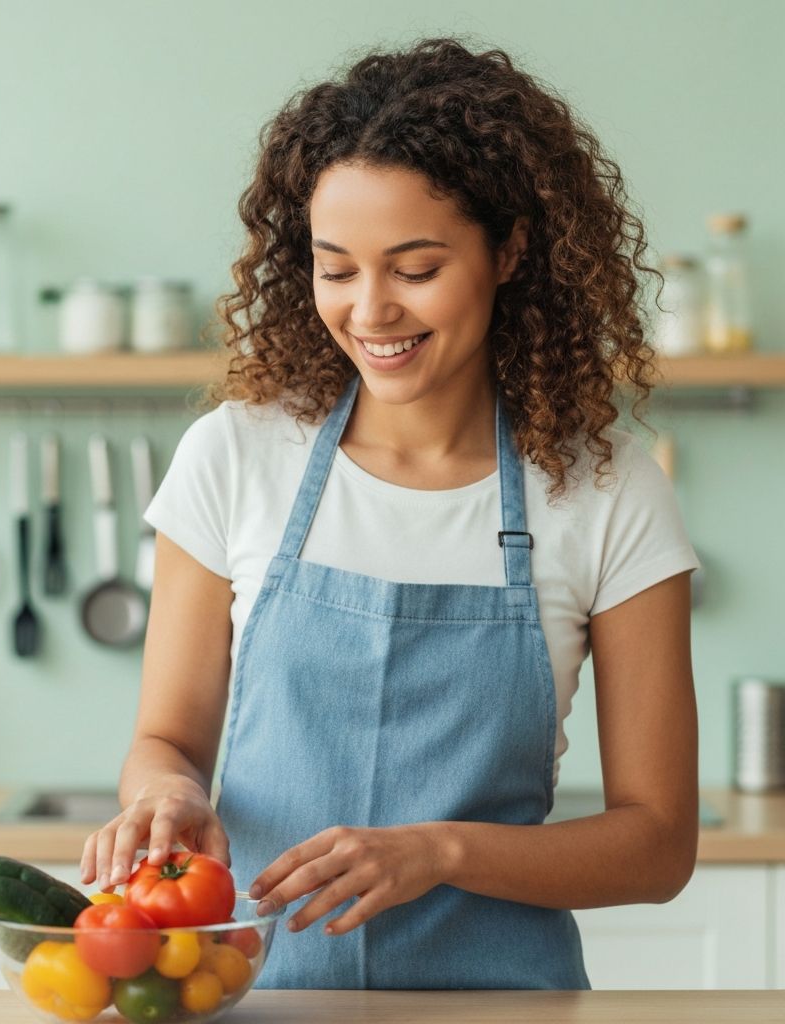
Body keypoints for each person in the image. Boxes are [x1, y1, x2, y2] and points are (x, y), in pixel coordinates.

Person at [80, 35, 699, 990]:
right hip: (251, 998)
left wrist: (441, 853)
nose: (370, 311)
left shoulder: (607, 492)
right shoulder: (236, 455)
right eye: (336, 269)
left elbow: (658, 846)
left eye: (415, 269)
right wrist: (165, 795)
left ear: (511, 251)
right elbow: (166, 741)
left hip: (501, 1006)